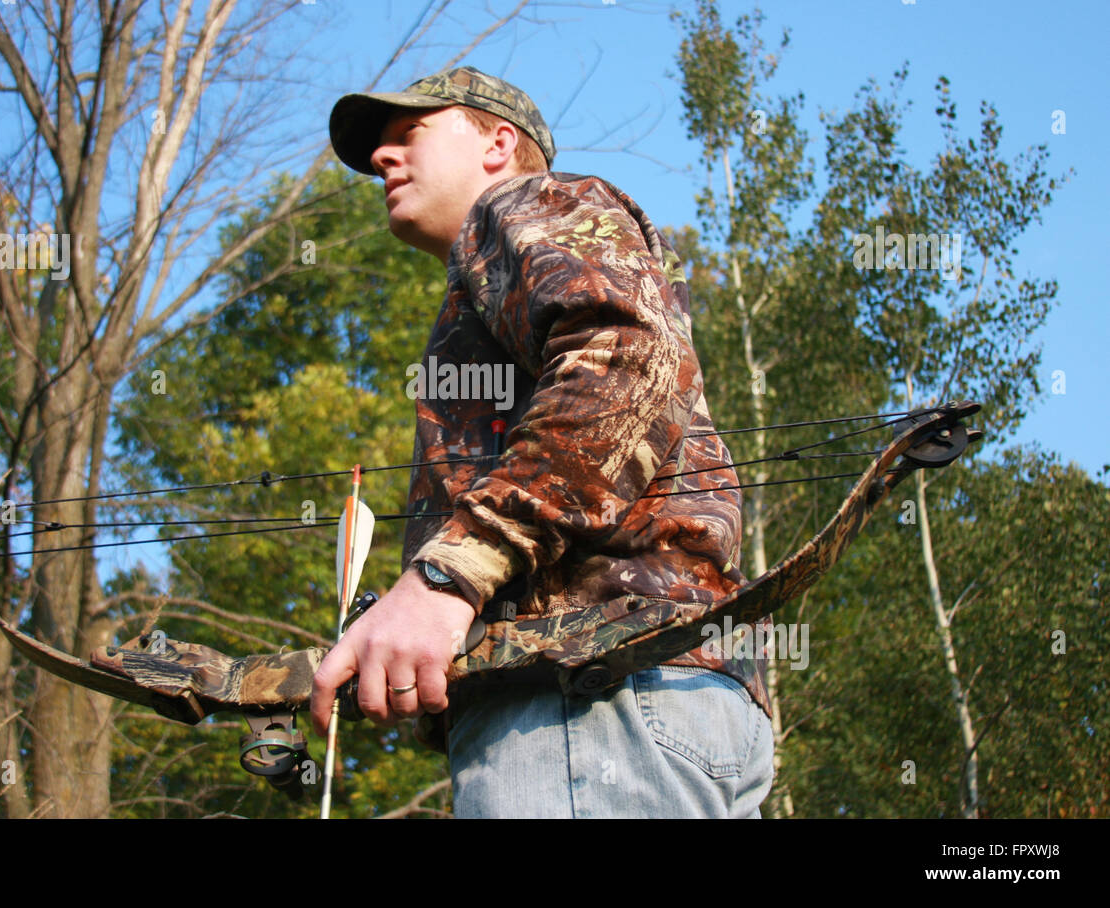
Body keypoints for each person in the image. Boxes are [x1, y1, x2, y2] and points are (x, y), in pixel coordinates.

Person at [312, 66, 774, 818]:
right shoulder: (498, 271)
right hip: (663, 700)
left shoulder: (526, 204)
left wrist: (446, 577)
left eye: (410, 134)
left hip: (583, 701)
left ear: (499, 144)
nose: (384, 161)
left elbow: (630, 357)